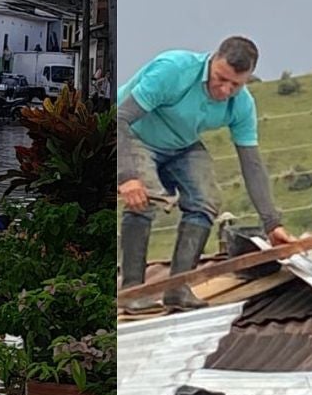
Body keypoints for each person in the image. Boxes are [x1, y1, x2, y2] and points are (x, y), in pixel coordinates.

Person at [118, 36, 293, 312]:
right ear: (212, 61)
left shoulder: (242, 105)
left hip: (182, 144)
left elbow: (252, 164)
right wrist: (126, 176)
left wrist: (272, 224)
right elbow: (120, 118)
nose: (224, 90)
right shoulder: (173, 70)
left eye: (235, 85)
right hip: (135, 134)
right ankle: (132, 292)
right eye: (220, 78)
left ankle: (178, 288)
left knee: (206, 199)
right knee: (143, 198)